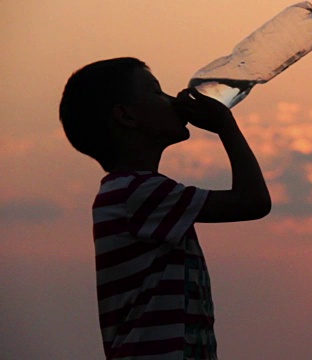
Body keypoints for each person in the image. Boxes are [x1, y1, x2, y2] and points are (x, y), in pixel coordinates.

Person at [59, 57, 271, 359]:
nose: (173, 99)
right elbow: (253, 201)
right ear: (127, 117)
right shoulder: (137, 194)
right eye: (156, 92)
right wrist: (226, 126)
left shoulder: (137, 193)